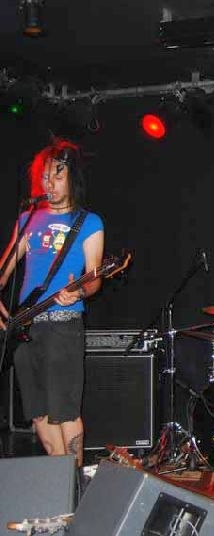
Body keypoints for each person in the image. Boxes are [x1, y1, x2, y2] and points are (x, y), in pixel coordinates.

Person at [0, 139, 104, 467]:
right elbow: (4, 271)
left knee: (65, 411)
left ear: (72, 177)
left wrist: (79, 292)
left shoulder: (88, 222)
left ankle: (74, 485)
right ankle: (59, 481)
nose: (50, 184)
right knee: (39, 413)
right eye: (45, 177)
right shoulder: (28, 219)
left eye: (58, 176)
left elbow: (95, 277)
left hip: (63, 326)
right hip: (25, 329)